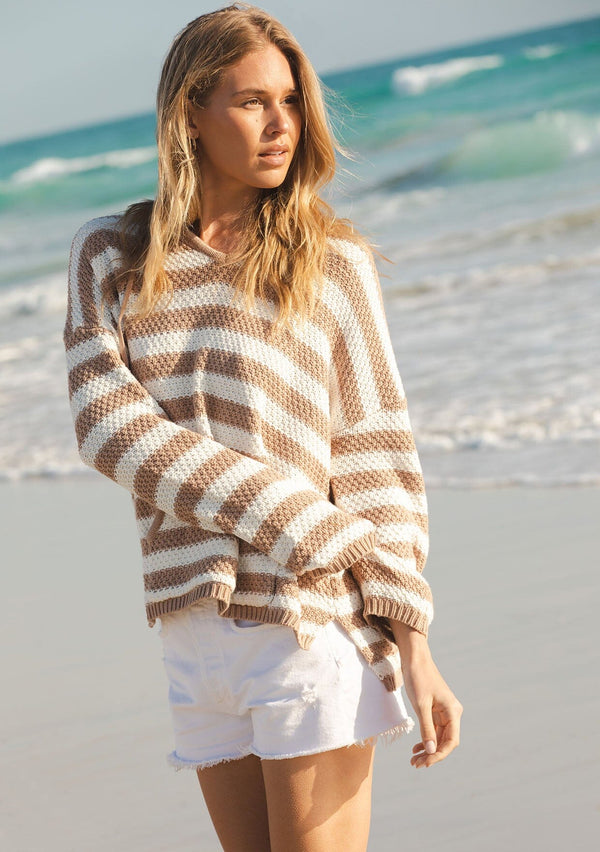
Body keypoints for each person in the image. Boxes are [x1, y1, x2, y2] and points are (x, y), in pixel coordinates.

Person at [64, 4, 462, 850]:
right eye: (251, 102)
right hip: (190, 628)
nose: (282, 124)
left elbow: (377, 456)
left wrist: (414, 641)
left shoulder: (333, 262)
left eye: (290, 100)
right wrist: (306, 522)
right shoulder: (111, 256)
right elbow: (110, 431)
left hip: (308, 621)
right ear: (190, 115)